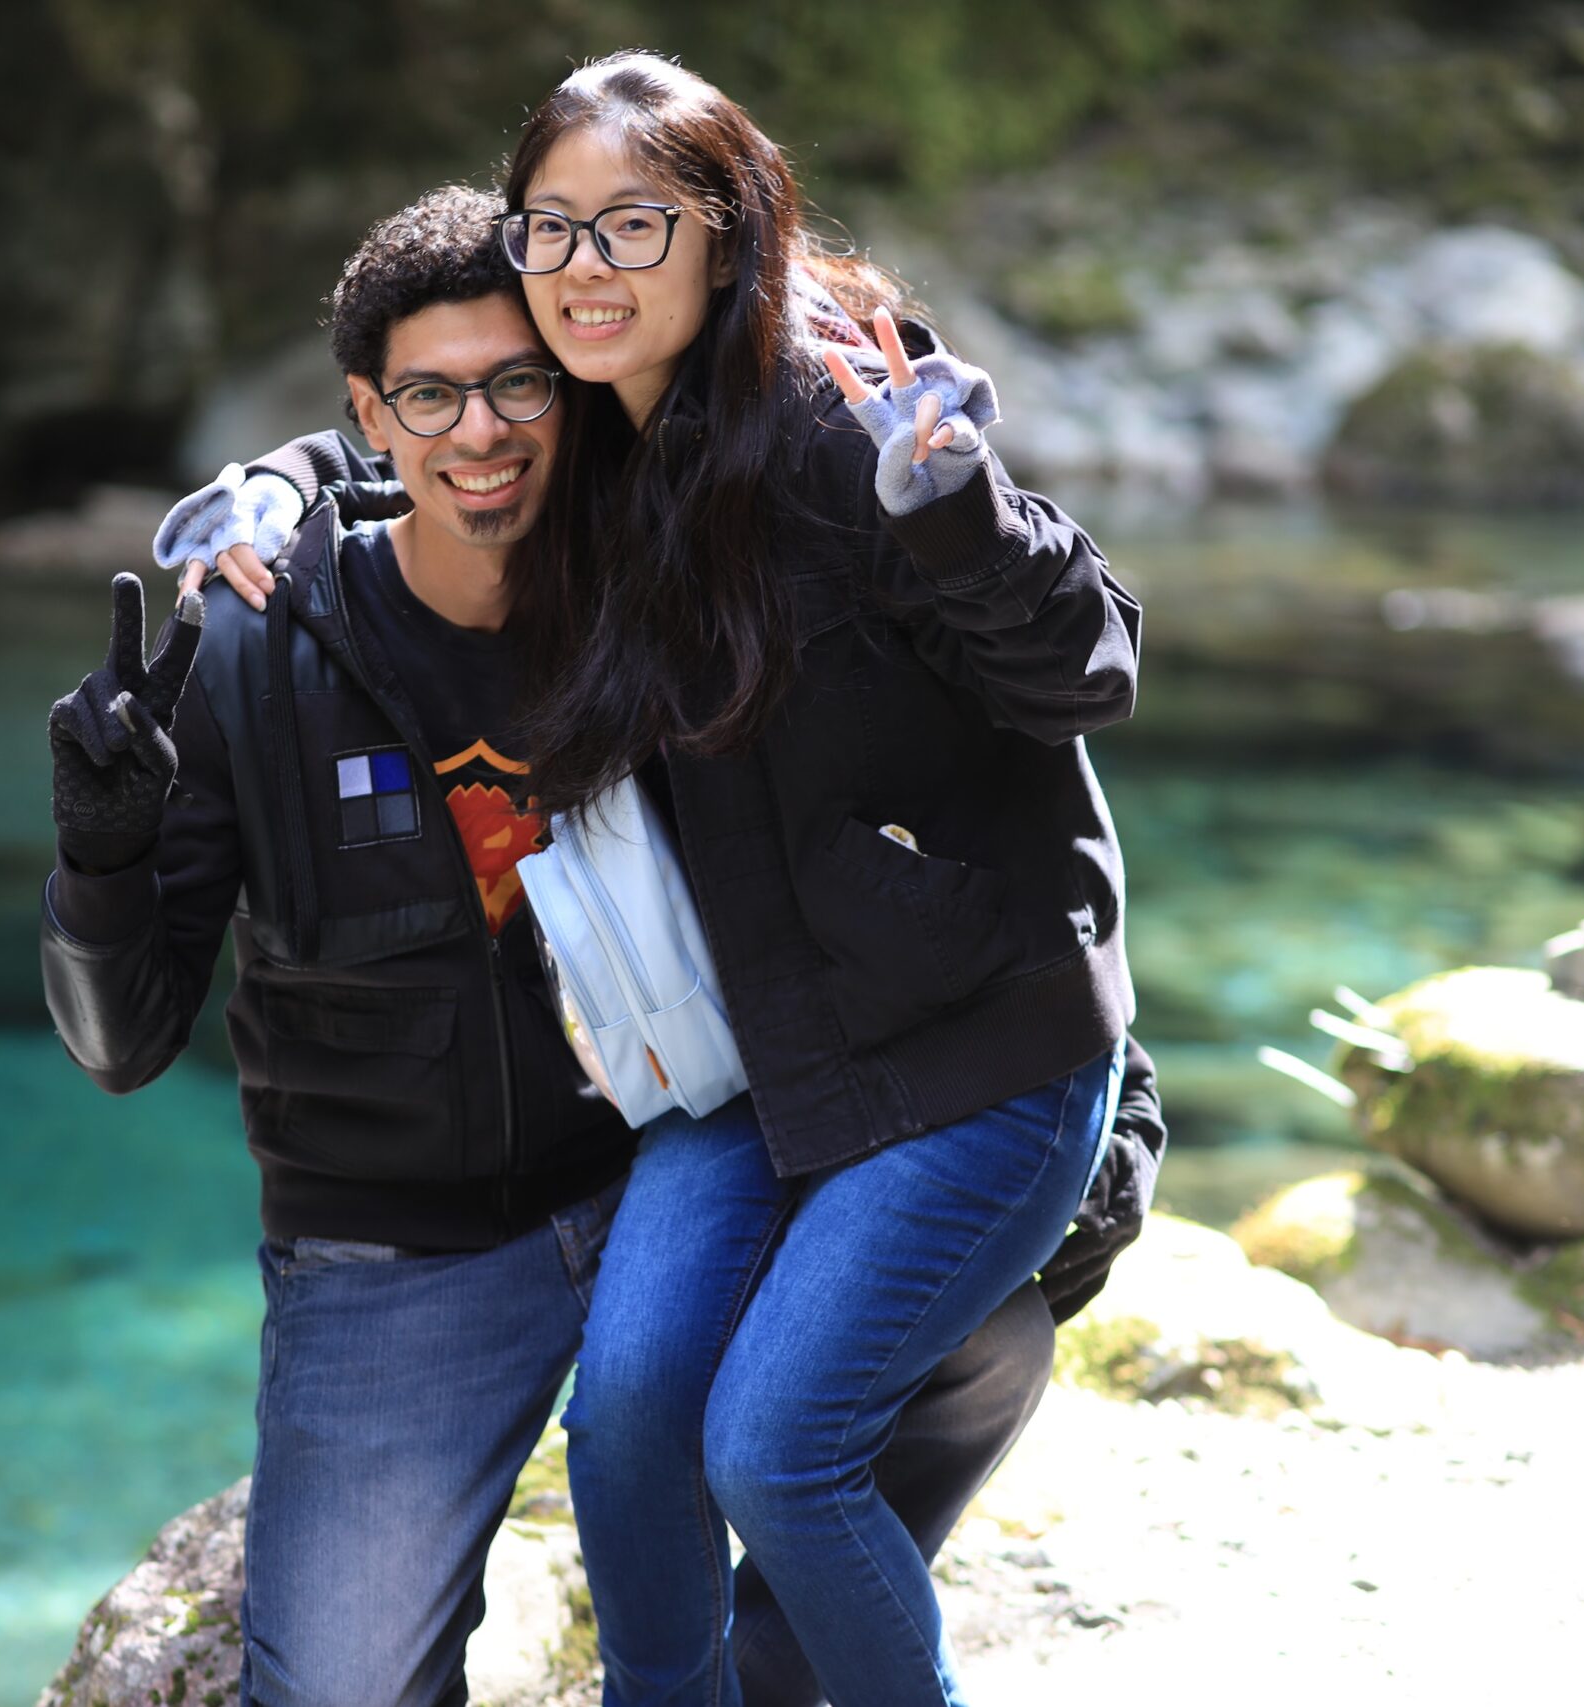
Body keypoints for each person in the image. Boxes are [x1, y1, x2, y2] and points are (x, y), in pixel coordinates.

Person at [43, 186, 1165, 1707]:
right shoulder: (260, 639)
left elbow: (948, 789)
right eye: (428, 395)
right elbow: (125, 1041)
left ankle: (771, 1661)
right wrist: (103, 858)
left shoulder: (669, 576)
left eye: (519, 384)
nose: (483, 430)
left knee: (974, 1338)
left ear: (576, 395)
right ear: (371, 413)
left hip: (696, 1143)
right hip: (409, 1243)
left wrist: (1096, 1090)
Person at [465, 53, 1146, 1707]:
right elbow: (409, 447)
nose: (585, 268)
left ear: (725, 231)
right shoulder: (588, 474)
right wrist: (279, 501)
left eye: (632, 224)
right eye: (549, 228)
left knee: (775, 1454)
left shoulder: (845, 425)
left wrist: (957, 509)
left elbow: (1092, 667)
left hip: (983, 1049)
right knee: (625, 1424)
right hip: (757, 1056)